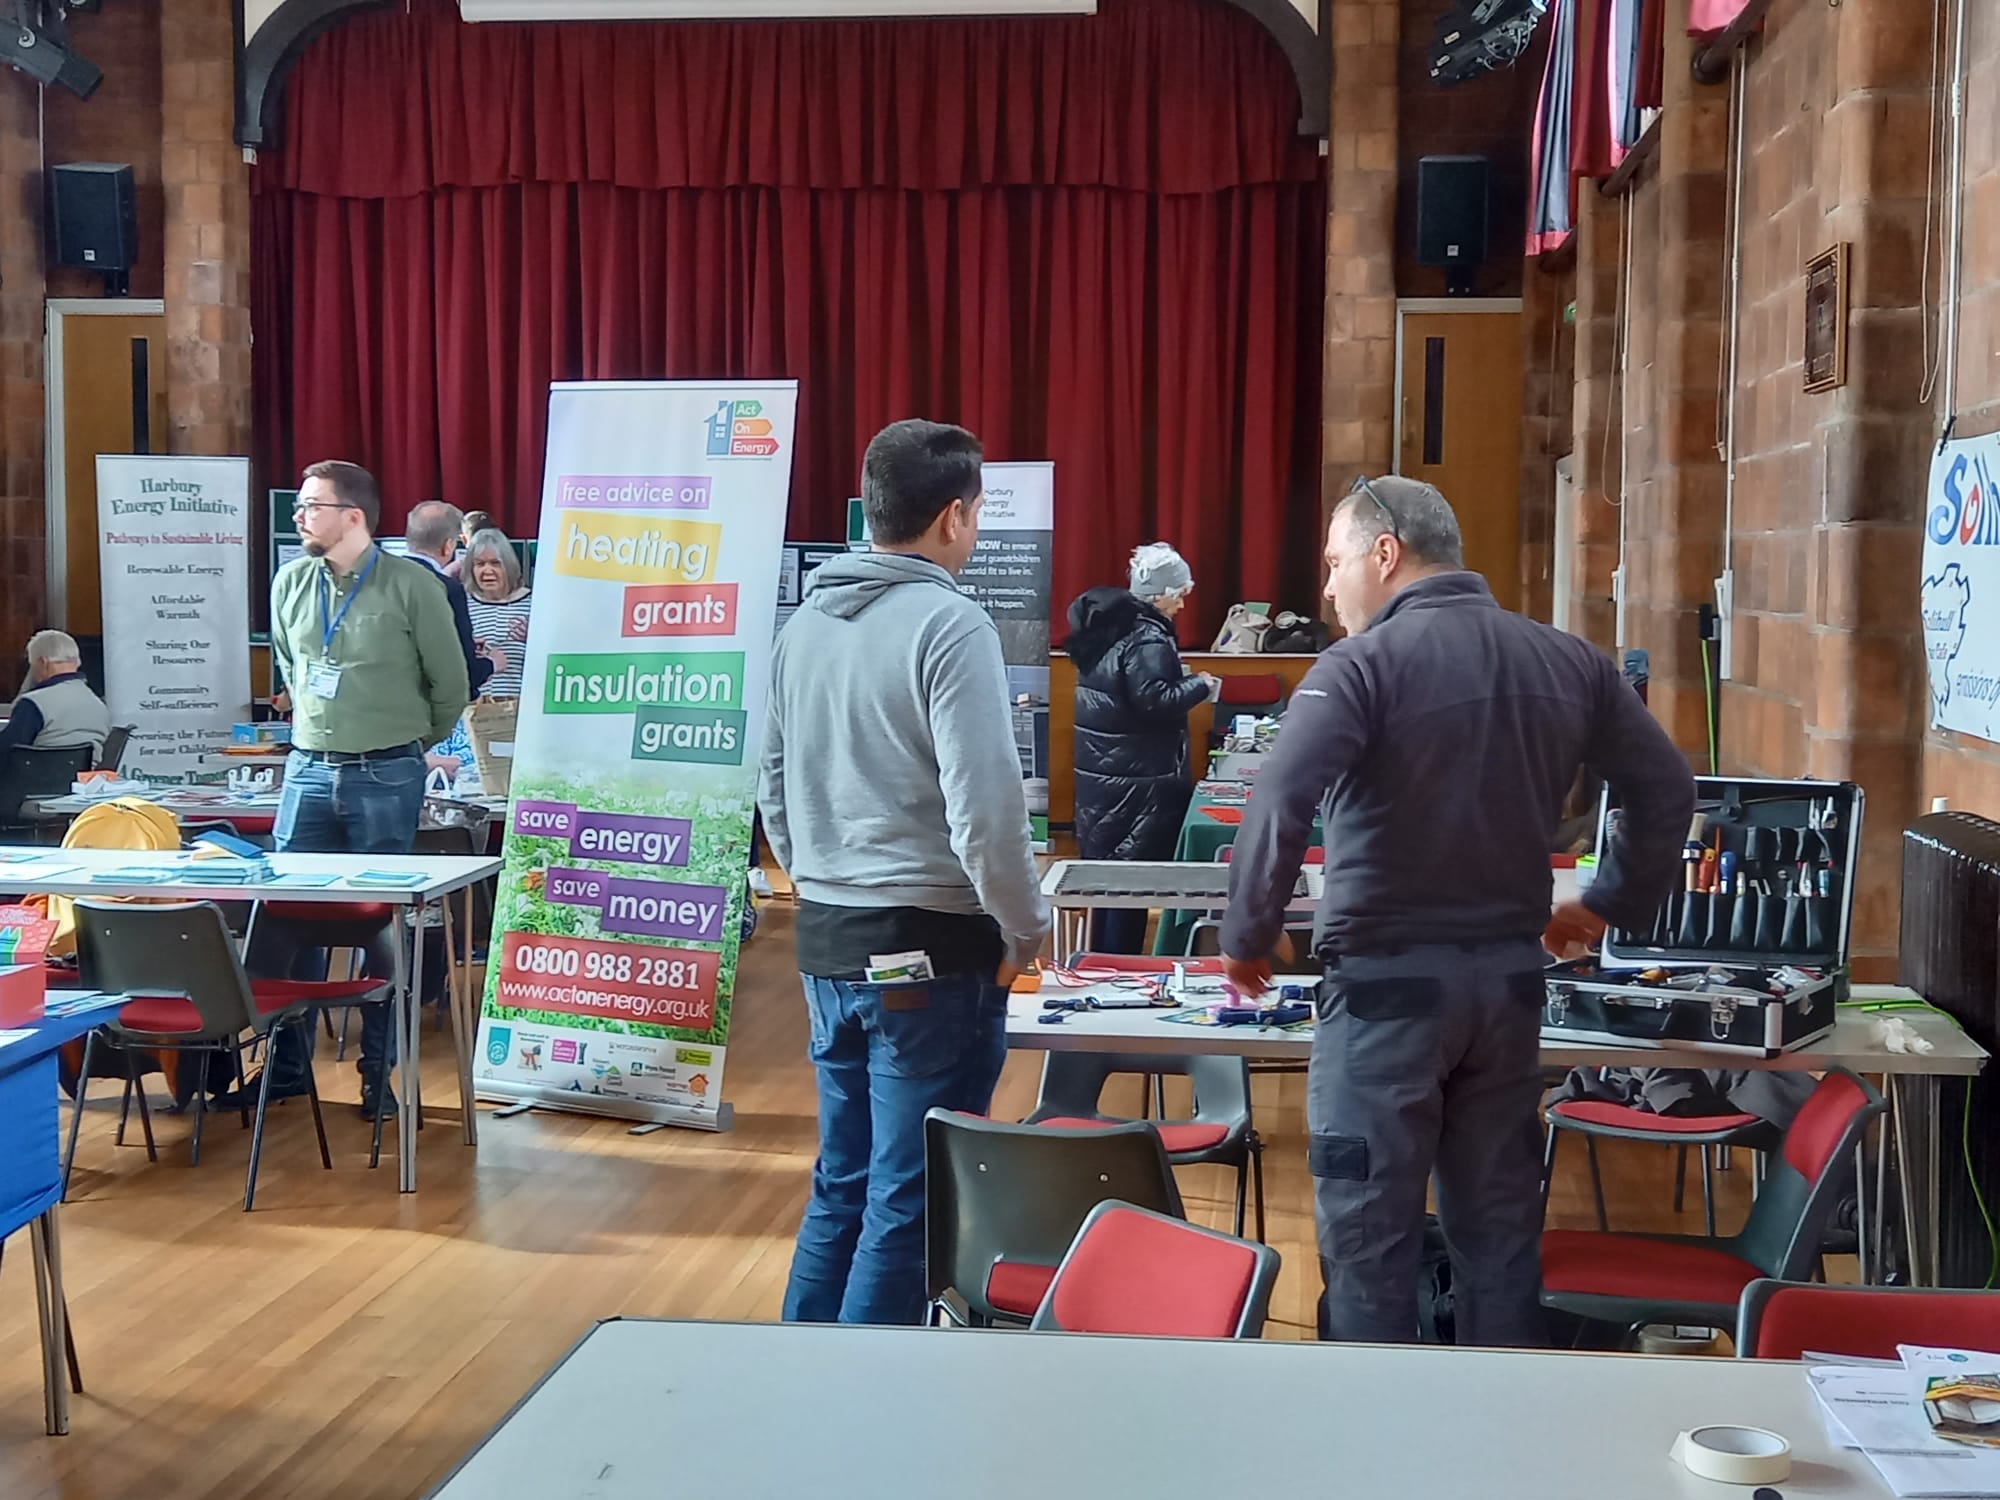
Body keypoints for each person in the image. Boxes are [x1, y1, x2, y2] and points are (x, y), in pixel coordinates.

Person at [1220, 475, 1694, 1347]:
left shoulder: (1359, 667)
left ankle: (1378, 1461)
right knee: (1499, 1240)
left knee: (1371, 1245)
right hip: (1510, 993)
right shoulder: (1569, 660)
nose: (1328, 590)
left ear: (1384, 552)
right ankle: (1496, 1454)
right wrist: (1605, 903)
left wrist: (1249, 932)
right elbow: (1667, 786)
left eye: (1334, 565)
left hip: (1384, 998)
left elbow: (1281, 796)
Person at [758, 417, 1050, 1327]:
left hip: (828, 940)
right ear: (957, 518)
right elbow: (987, 812)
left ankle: (799, 1383)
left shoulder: (805, 620)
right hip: (930, 951)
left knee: (841, 1184)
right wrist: (1027, 926)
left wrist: (817, 872)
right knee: (907, 1195)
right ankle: (862, 1416)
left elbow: (768, 778)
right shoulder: (949, 622)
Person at [251, 460, 470, 1119]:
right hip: (309, 771)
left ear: (354, 516)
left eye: (312, 506)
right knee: (285, 922)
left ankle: (381, 1077)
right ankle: (285, 1070)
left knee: (383, 929)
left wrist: (405, 743)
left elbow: (451, 687)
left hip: (387, 772)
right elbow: (292, 665)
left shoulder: (411, 585)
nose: (300, 516)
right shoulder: (291, 582)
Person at [1065, 542, 1218, 951]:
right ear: (1159, 594)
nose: (1182, 605)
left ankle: (1102, 961)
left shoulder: (1108, 630)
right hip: (1137, 780)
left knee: (1111, 885)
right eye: (1179, 595)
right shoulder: (1148, 637)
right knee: (1132, 885)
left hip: (1107, 777)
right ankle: (1120, 968)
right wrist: (1199, 684)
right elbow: (1155, 700)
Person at [407, 501, 500, 697]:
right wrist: (492, 664)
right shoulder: (447, 590)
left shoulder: (377, 580)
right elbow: (464, 674)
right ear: (448, 546)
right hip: (425, 713)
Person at [0, 631, 109, 758]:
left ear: (42, 663)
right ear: (77, 662)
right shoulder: (99, 704)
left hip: (32, 776)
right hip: (86, 777)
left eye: (31, 665)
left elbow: (6, 749)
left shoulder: (34, 704)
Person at [462, 527, 532, 698]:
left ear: (508, 564)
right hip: (473, 712)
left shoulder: (534, 604)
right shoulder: (462, 604)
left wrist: (533, 640)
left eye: (495, 563)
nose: (487, 571)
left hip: (522, 710)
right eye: (479, 564)